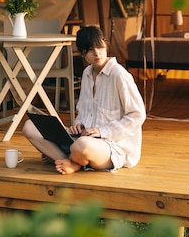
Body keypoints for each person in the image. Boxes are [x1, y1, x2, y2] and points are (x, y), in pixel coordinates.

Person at [22, 25, 146, 174]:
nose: (97, 53)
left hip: (112, 146)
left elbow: (137, 115)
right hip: (83, 138)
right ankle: (68, 160)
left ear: (105, 44)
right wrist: (78, 124)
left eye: (99, 47)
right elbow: (84, 110)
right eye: (90, 50)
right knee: (30, 126)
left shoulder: (119, 75)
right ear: (82, 54)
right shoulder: (87, 73)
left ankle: (64, 158)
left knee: (82, 146)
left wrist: (102, 131)